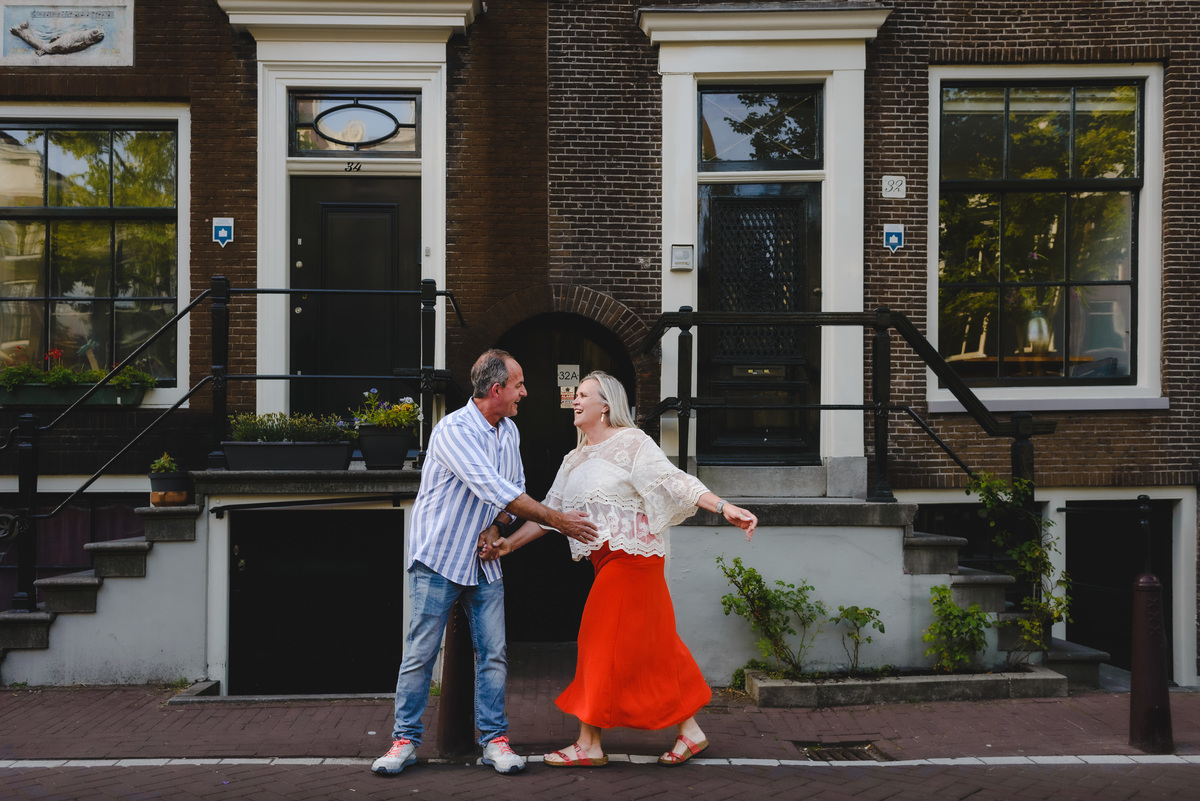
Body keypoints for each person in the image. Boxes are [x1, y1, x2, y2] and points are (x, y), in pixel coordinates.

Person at [488, 371, 757, 768]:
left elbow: (674, 481)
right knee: (652, 647)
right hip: (606, 563)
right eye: (574, 395)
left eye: (582, 395)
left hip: (635, 561)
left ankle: (589, 743)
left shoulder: (631, 443)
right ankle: (691, 731)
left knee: (597, 640)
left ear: (605, 405)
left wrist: (723, 507)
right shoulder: (574, 458)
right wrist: (508, 544)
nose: (574, 400)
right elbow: (549, 512)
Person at [371, 349, 599, 777]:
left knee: (494, 653)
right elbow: (497, 487)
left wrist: (497, 529)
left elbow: (511, 493)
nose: (525, 393)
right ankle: (403, 741)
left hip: (482, 559)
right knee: (421, 653)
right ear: (496, 389)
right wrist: (559, 520)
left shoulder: (508, 430)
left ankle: (494, 741)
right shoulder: (453, 430)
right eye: (519, 385)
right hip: (439, 555)